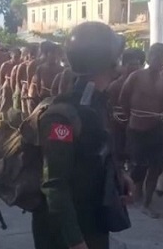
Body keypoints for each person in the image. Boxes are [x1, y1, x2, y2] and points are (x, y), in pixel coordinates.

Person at [33, 21, 133, 249]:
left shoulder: (97, 103)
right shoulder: (62, 116)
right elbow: (55, 185)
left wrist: (119, 177)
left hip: (93, 220)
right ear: (106, 62)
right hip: (65, 231)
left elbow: (97, 153)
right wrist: (75, 241)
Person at [119, 43, 163, 218]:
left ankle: (147, 202)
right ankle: (133, 192)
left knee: (156, 166)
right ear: (149, 57)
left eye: (162, 57)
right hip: (136, 128)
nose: (159, 60)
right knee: (138, 166)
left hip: (156, 129)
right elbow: (123, 98)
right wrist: (132, 116)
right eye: (156, 56)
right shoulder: (136, 76)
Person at [107, 48, 146, 163]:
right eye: (131, 64)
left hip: (138, 130)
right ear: (123, 66)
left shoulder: (144, 85)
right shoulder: (114, 85)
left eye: (137, 64)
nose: (134, 68)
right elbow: (109, 109)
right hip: (117, 128)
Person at [0, 48, 21, 123]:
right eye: (15, 56)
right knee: (5, 104)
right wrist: (2, 86)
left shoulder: (20, 65)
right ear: (11, 55)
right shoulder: (5, 64)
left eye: (18, 56)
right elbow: (1, 77)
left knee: (15, 106)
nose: (16, 59)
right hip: (7, 86)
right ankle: (2, 120)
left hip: (17, 87)